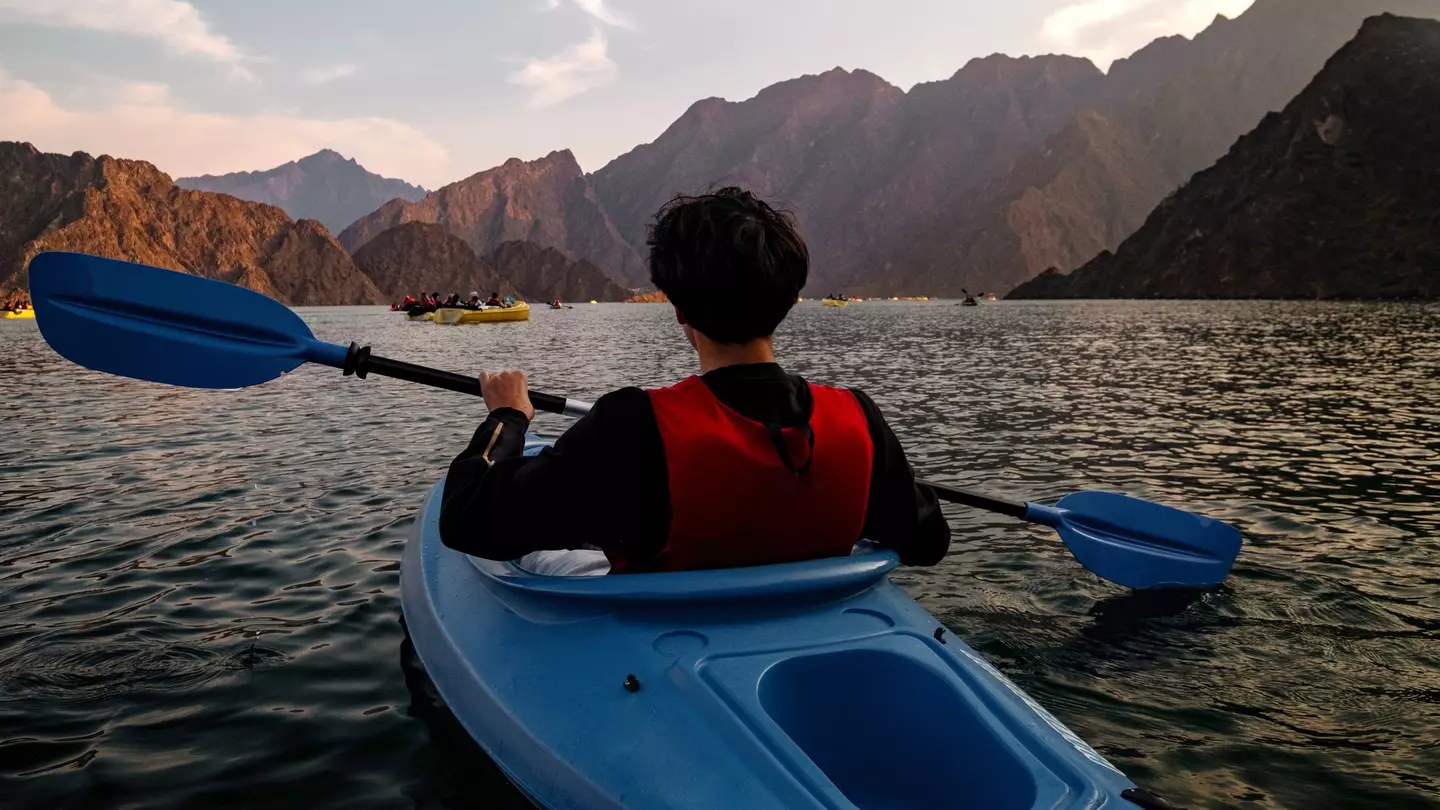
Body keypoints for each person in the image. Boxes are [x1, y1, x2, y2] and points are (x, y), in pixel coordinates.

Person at [440, 187, 949, 576]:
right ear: (787, 300)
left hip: (663, 640)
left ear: (679, 309)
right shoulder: (859, 419)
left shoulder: (634, 425)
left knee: (536, 556)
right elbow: (929, 542)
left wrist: (508, 416)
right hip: (807, 624)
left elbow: (465, 517)